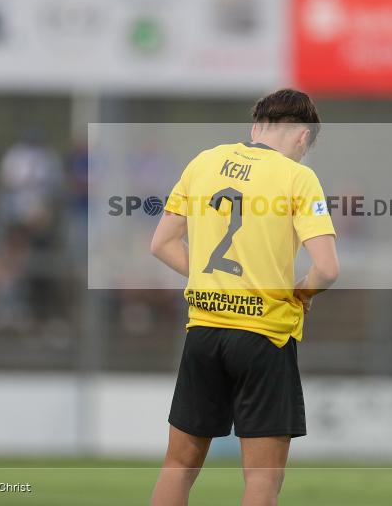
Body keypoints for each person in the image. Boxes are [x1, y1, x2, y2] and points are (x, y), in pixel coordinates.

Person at [149, 89, 339, 506]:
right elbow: (326, 268)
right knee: (261, 480)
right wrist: (302, 293)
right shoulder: (297, 177)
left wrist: (207, 275)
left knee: (178, 466)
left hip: (204, 332)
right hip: (264, 338)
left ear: (256, 127)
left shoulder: (203, 162)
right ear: (303, 139)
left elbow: (161, 243)